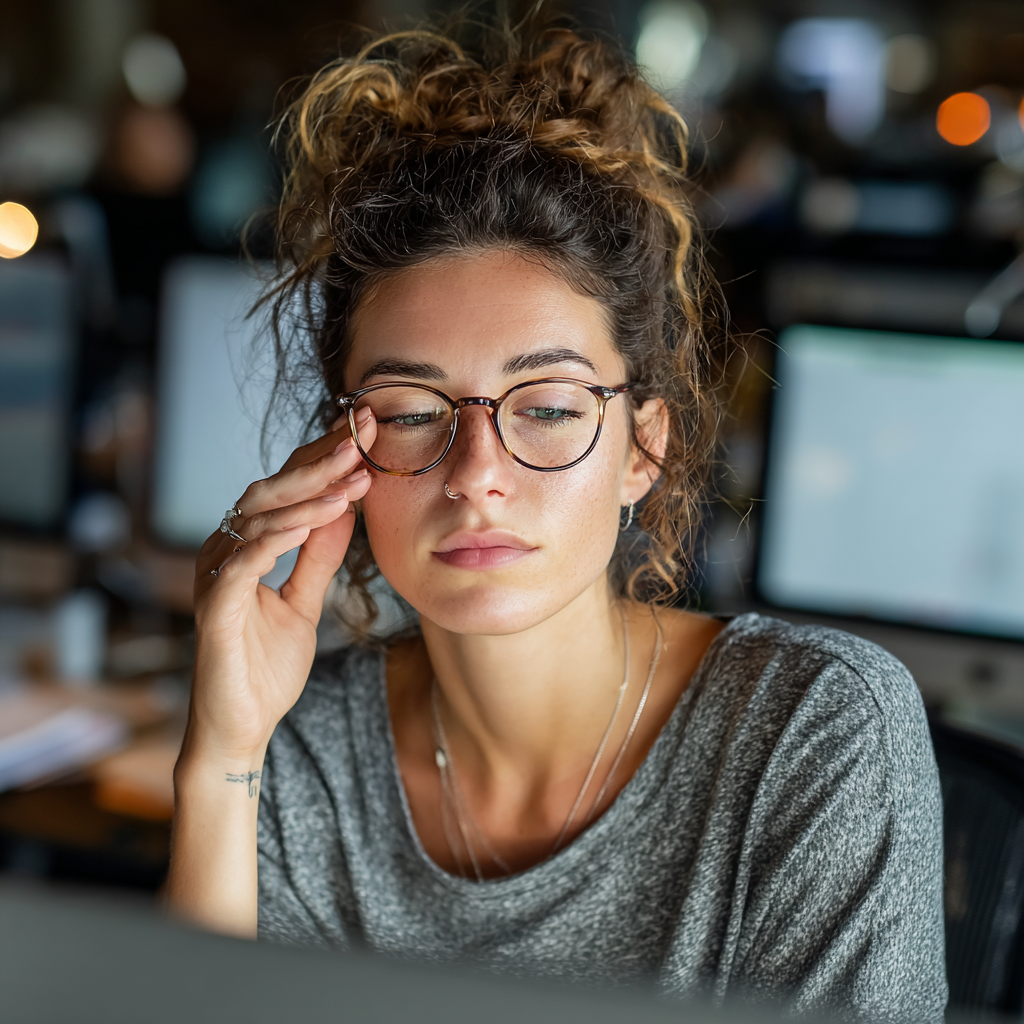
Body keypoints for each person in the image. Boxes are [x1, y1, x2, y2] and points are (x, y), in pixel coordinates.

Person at [166, 13, 947, 1022]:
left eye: (546, 408)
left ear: (642, 447)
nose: (476, 473)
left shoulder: (812, 731)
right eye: (410, 414)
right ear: (339, 457)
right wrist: (221, 752)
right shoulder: (302, 748)